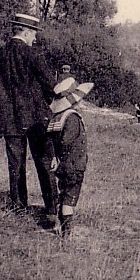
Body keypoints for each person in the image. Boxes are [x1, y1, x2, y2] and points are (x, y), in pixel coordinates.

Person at [0, 13, 59, 227]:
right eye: (34, 33)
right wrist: (46, 102)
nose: (35, 38)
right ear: (27, 32)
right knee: (44, 162)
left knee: (15, 163)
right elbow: (51, 85)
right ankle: (51, 208)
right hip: (36, 118)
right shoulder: (33, 55)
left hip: (9, 119)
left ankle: (19, 205)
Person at [47, 77, 93, 237]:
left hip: (62, 164)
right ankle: (66, 232)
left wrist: (56, 157)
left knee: (64, 192)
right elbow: (66, 141)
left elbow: (52, 141)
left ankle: (58, 224)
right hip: (73, 164)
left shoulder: (57, 118)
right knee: (70, 197)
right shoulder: (72, 118)